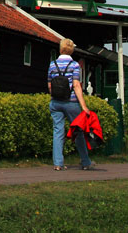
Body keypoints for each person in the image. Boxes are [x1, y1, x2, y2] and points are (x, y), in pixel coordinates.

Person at [47, 38, 96, 171]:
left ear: (61, 48)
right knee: (78, 131)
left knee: (58, 131)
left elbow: (50, 85)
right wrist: (84, 106)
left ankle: (58, 163)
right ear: (71, 50)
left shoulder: (52, 65)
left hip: (56, 102)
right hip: (71, 102)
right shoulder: (74, 65)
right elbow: (76, 85)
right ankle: (85, 162)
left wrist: (54, 97)